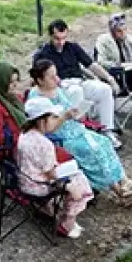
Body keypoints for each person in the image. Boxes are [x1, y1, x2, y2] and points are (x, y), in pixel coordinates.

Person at [28, 59, 132, 201]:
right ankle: (117, 188)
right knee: (93, 150)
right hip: (60, 137)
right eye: (52, 77)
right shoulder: (36, 99)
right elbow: (46, 128)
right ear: (40, 80)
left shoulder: (57, 90)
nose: (57, 79)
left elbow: (68, 107)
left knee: (104, 142)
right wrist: (65, 117)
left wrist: (77, 113)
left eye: (56, 75)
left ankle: (123, 181)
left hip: (74, 129)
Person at [18, 98, 95, 239]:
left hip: (25, 180)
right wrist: (68, 183)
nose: (56, 121)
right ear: (42, 120)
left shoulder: (23, 135)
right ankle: (67, 222)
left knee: (74, 174)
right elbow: (51, 174)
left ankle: (54, 210)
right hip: (40, 186)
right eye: (53, 117)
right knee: (80, 183)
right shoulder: (45, 144)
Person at [33, 19, 119, 142]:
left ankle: (107, 130)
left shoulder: (72, 47)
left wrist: (109, 78)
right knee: (76, 90)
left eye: (64, 38)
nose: (61, 42)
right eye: (57, 39)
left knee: (104, 89)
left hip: (79, 81)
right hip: (60, 87)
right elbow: (39, 77)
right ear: (51, 36)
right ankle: (79, 131)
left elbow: (91, 65)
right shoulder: (43, 53)